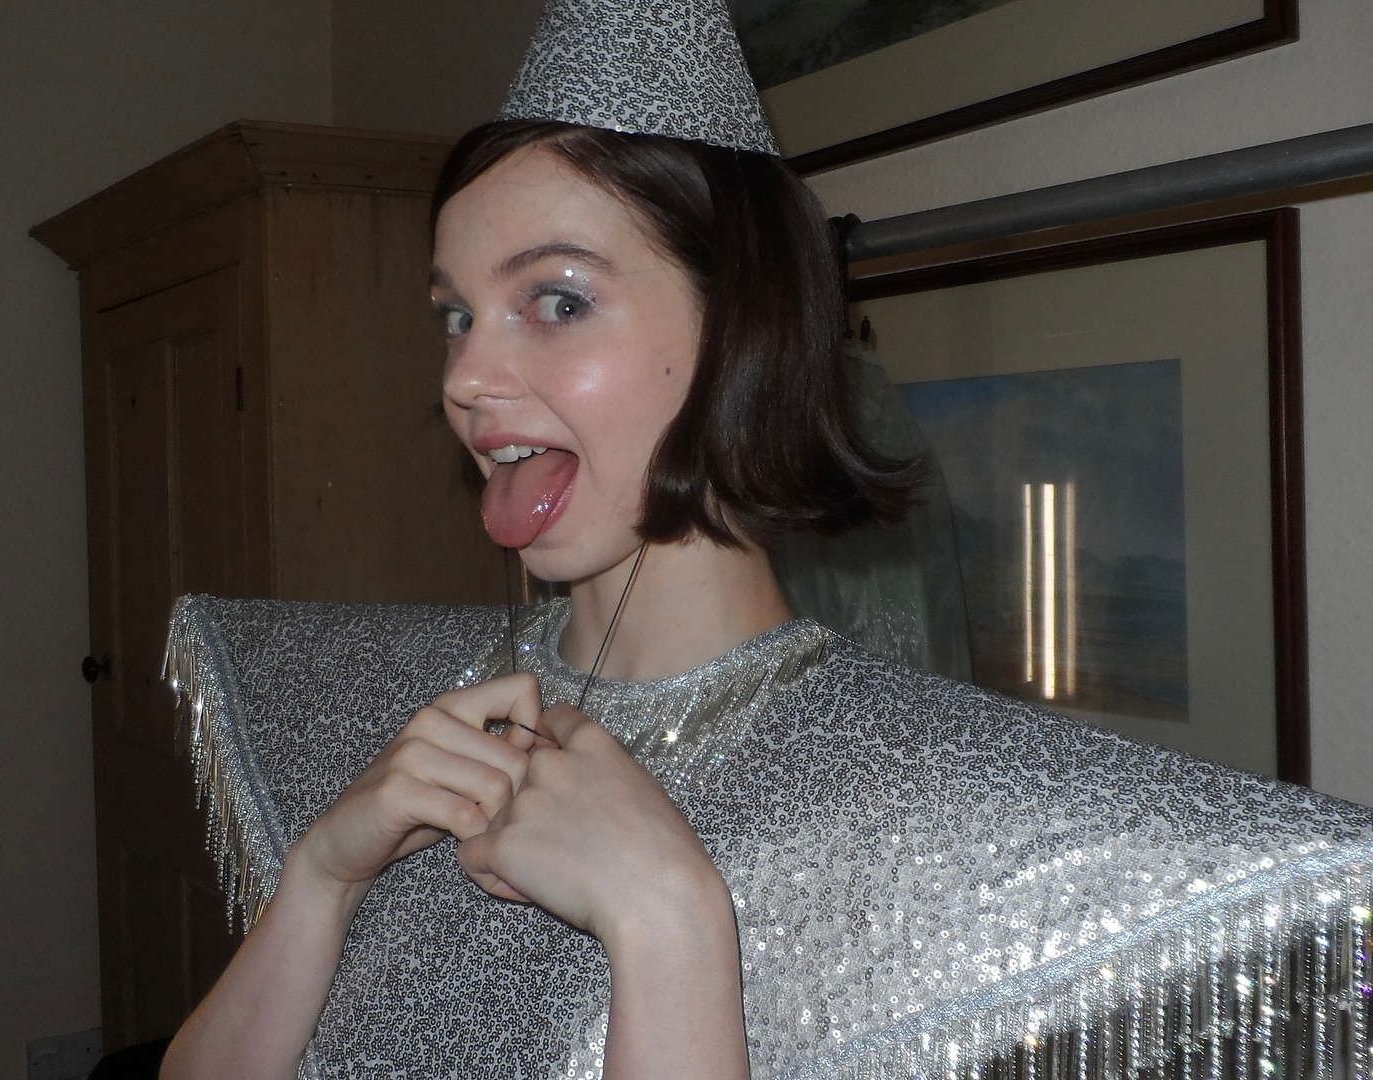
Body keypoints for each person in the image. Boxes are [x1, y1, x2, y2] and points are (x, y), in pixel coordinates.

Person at [161, 3, 1373, 1078]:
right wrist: (322, 875)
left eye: (557, 300)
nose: (466, 377)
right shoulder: (405, 724)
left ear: (744, 329)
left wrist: (669, 923)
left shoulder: (919, 812)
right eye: (455, 315)